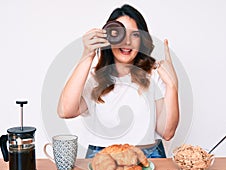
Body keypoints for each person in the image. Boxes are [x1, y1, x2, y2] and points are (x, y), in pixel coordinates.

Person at [57, 4, 179, 158]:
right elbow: (65, 111)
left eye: (134, 35)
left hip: (147, 159)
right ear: (108, 37)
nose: (127, 42)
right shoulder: (96, 78)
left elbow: (167, 133)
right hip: (102, 159)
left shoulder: (153, 75)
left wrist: (172, 86)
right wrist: (88, 54)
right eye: (120, 33)